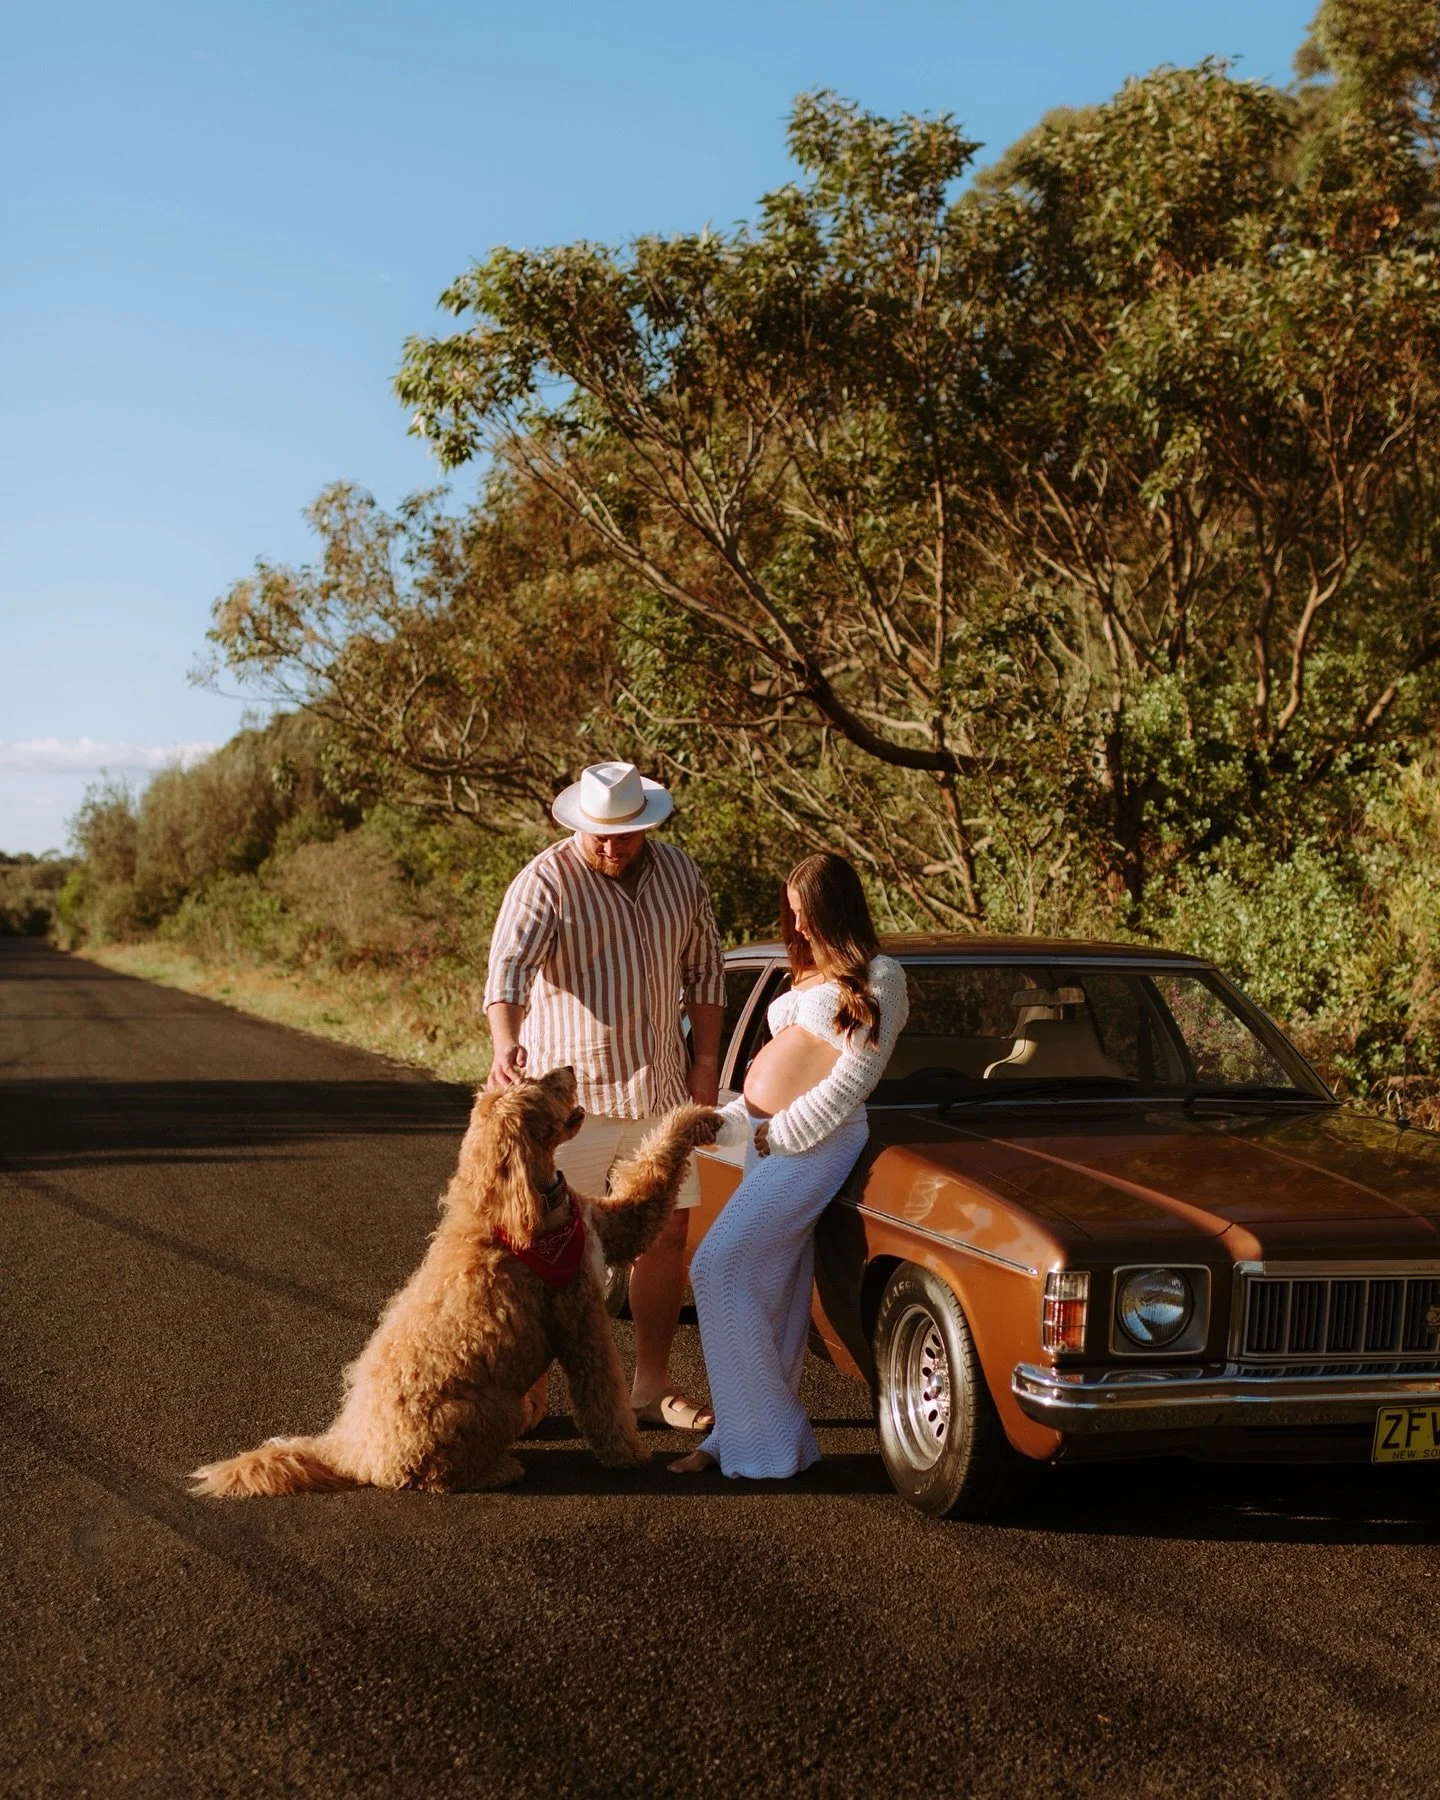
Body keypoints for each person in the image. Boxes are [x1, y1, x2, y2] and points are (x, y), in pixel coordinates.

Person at [484, 760, 726, 1432]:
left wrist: (705, 1064)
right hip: (571, 1107)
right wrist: (506, 1046)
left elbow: (706, 973)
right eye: (599, 836)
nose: (612, 847)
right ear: (579, 825)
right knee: (540, 1245)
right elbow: (505, 976)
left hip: (660, 1088)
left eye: (625, 835)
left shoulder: (682, 875)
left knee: (667, 1233)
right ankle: (528, 1393)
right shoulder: (545, 881)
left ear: (647, 824)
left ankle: (651, 1386)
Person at [669, 852, 908, 1479]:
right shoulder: (803, 971)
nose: (796, 928)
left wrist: (784, 1132)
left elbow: (856, 1078)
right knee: (769, 1294)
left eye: (806, 915)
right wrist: (745, 1126)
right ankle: (736, 1437)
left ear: (836, 910)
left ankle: (773, 1439)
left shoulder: (882, 976)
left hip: (817, 1144)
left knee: (718, 1267)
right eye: (792, 915)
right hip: (765, 1140)